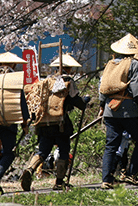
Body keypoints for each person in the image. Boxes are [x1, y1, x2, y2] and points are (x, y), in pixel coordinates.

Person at [20, 53, 89, 192]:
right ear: (69, 69)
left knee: (43, 150)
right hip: (60, 123)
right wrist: (85, 102)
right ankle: (59, 181)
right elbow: (77, 101)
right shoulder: (67, 81)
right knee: (64, 150)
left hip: (44, 123)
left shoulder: (46, 81)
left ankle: (30, 169)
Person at [99, 34, 138, 189]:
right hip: (127, 110)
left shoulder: (110, 64)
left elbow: (103, 88)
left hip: (110, 109)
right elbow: (137, 90)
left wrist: (102, 106)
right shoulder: (133, 64)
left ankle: (107, 179)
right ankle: (131, 174)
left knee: (111, 145)